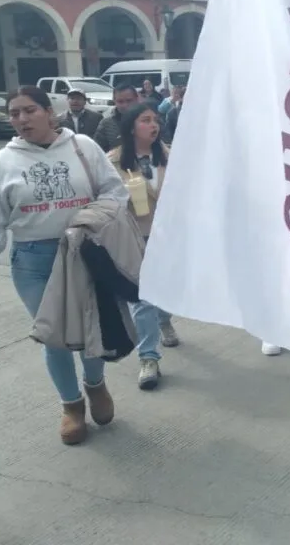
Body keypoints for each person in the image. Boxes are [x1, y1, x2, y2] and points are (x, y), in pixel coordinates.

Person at [0, 86, 128, 445]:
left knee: (91, 328)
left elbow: (115, 191)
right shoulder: (3, 162)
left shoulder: (83, 147)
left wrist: (89, 221)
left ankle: (96, 385)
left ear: (49, 112)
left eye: (29, 111)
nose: (21, 119)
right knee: (53, 336)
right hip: (33, 260)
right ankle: (71, 406)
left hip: (85, 251)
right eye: (14, 114)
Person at [108, 104, 181, 390]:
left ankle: (165, 320)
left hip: (168, 236)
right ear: (130, 127)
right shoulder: (113, 161)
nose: (154, 125)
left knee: (167, 290)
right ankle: (148, 358)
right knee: (141, 299)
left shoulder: (172, 156)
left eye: (156, 120)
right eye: (145, 120)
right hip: (134, 237)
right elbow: (104, 197)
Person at [93, 85, 139, 152]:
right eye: (120, 101)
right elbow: (97, 151)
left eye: (129, 101)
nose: (125, 105)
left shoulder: (149, 120)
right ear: (114, 101)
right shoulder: (106, 124)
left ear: (136, 99)